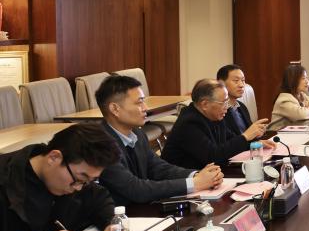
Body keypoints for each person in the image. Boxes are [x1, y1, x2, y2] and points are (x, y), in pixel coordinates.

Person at [0, 123, 121, 231]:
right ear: (54, 157)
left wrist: (109, 222)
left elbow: (98, 197)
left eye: (88, 181)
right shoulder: (7, 182)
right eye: (79, 179)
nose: (79, 188)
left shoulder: (74, 176)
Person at [96, 74, 223, 205]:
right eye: (139, 102)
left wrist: (196, 175)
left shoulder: (137, 133)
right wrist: (194, 183)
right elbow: (136, 189)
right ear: (115, 109)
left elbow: (158, 168)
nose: (145, 108)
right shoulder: (100, 145)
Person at [161, 79, 271, 170]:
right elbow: (213, 156)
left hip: (208, 174)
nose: (227, 106)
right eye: (223, 102)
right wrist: (245, 136)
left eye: (227, 101)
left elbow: (230, 140)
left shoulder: (215, 115)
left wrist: (253, 144)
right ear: (205, 104)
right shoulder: (189, 123)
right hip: (183, 180)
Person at [270, 63, 309, 131]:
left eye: (306, 78)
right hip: (275, 135)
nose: (307, 81)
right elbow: (302, 115)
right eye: (303, 78)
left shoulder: (301, 95)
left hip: (292, 133)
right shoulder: (283, 100)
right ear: (293, 80)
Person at [217, 64, 254, 139]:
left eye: (243, 80)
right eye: (236, 81)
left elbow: (250, 133)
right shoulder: (218, 110)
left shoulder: (241, 106)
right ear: (221, 83)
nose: (241, 85)